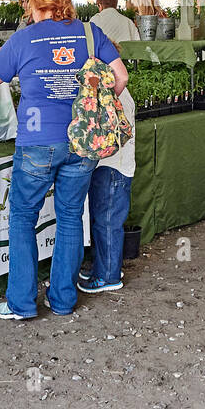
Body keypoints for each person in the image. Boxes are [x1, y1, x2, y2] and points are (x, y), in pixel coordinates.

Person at [0, 0, 128, 318]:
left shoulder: (23, 39)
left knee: (22, 217)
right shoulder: (91, 33)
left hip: (36, 140)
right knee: (70, 216)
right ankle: (62, 300)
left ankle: (20, 303)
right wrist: (95, 108)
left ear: (34, 4)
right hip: (81, 141)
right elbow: (120, 77)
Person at [80, 73, 136, 295]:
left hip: (114, 167)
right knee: (102, 221)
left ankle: (108, 276)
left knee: (108, 223)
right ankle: (103, 267)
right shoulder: (115, 90)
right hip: (109, 166)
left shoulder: (116, 94)